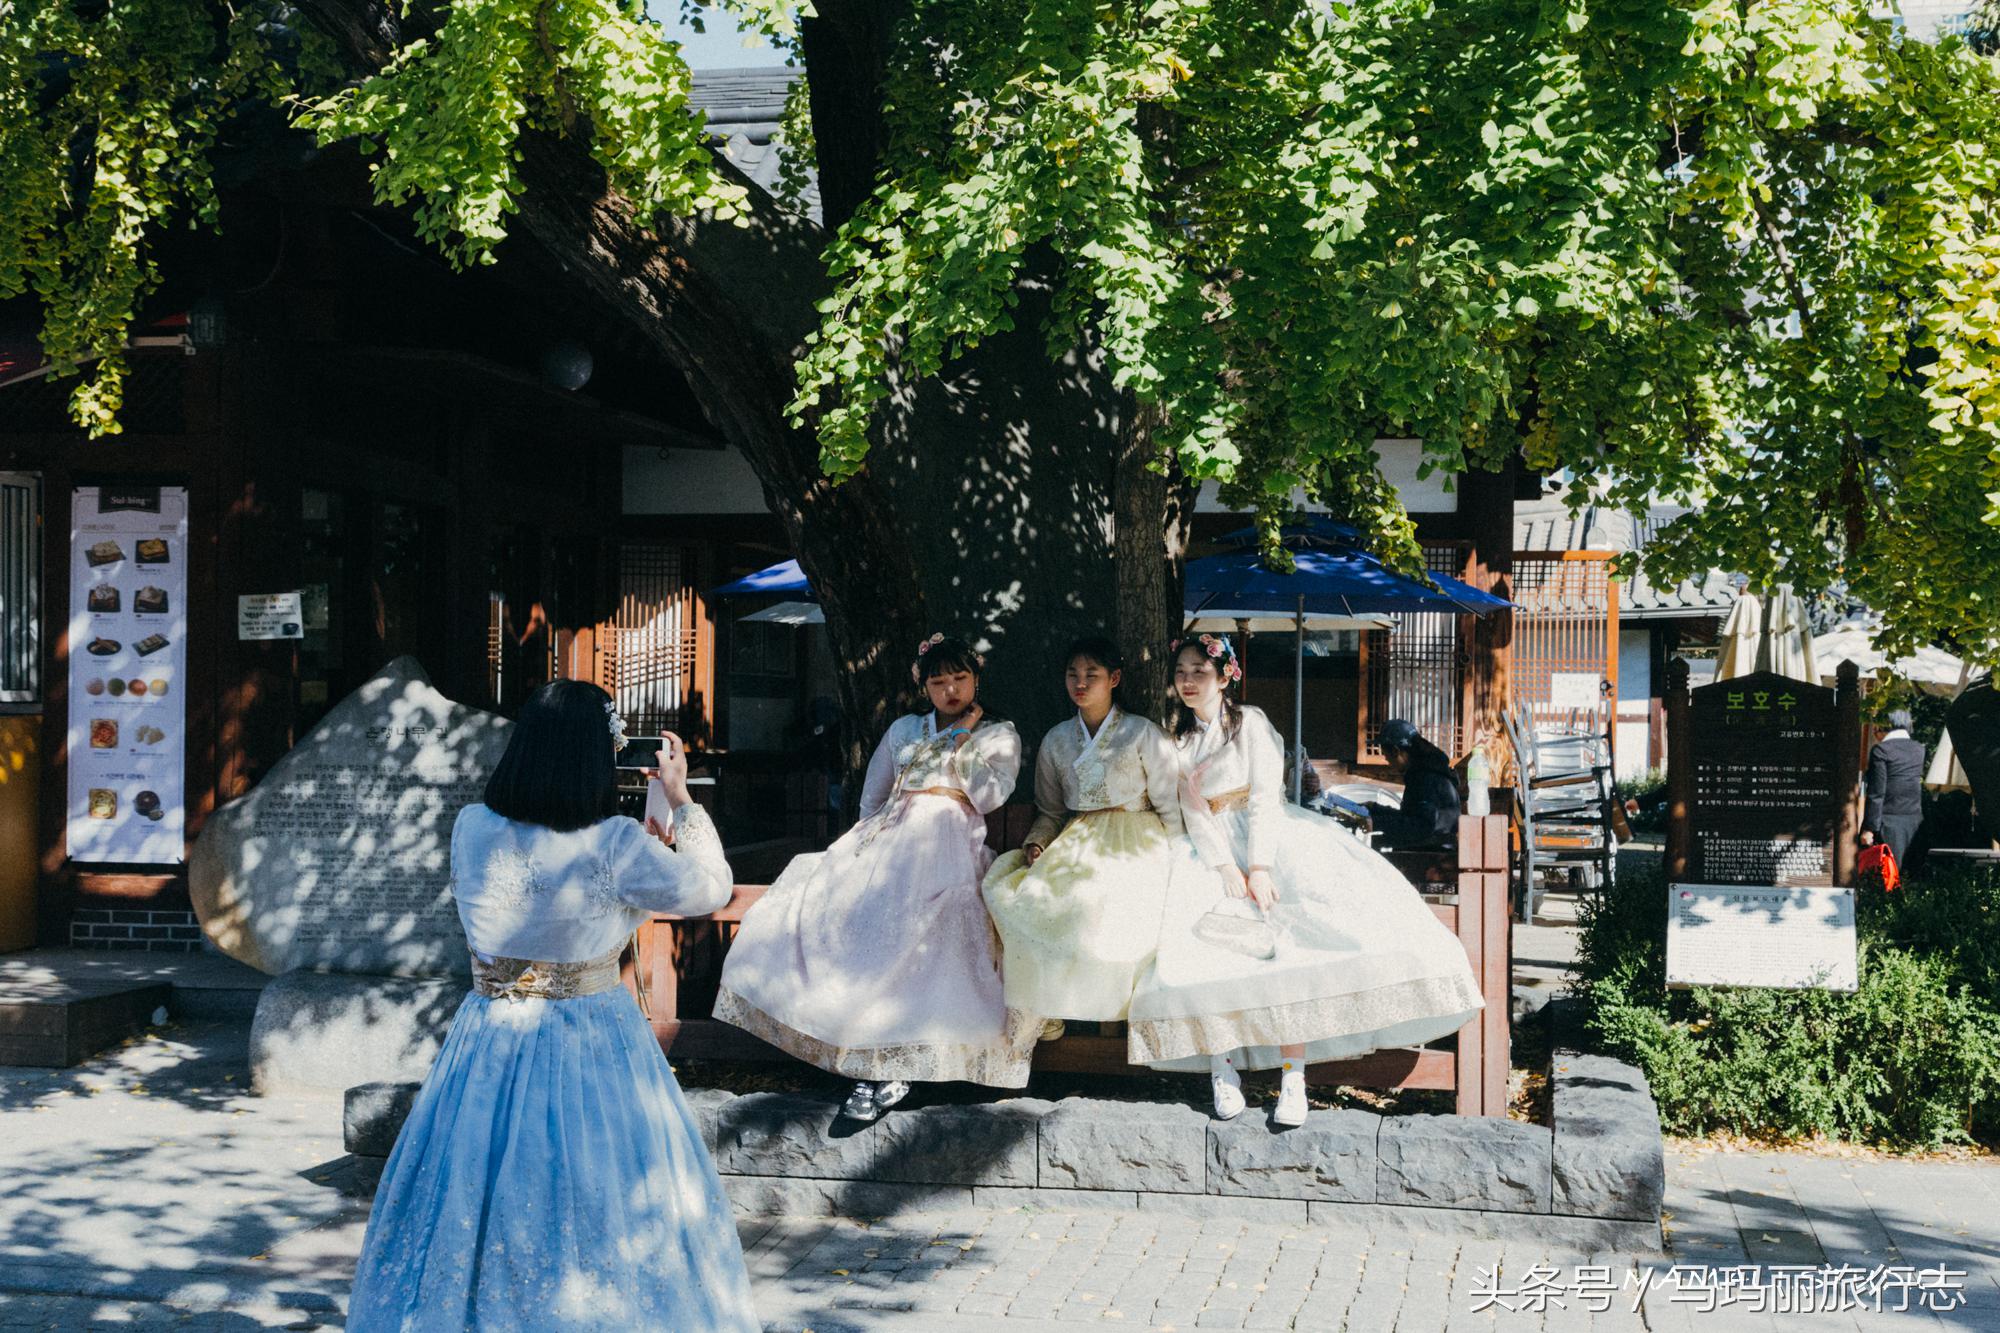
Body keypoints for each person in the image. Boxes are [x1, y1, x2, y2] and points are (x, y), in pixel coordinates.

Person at [347, 680, 756, 1333]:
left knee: (476, 1187)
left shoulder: (472, 827)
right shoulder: (615, 843)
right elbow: (711, 886)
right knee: (599, 1189)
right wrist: (680, 800)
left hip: (488, 1032)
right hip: (592, 1035)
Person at [1128, 636, 1484, 1127]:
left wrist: (1259, 866)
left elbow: (1263, 797)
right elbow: (1192, 808)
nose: (1188, 681)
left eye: (1199, 672)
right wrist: (1225, 868)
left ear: (1225, 676)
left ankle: (1293, 1074)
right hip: (1210, 854)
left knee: (1295, 955)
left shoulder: (1250, 723)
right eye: (1182, 672)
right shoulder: (1182, 740)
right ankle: (1222, 1067)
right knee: (1205, 958)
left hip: (1267, 841)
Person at [715, 633, 1037, 1121]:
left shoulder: (998, 734)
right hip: (888, 846)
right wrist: (862, 849)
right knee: (843, 913)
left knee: (934, 936)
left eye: (960, 678)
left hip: (947, 847)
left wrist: (964, 741)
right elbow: (875, 794)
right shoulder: (905, 728)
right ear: (923, 685)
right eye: (938, 680)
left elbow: (990, 797)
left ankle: (900, 1065)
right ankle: (864, 1055)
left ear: (976, 679)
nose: (949, 689)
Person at [982, 636, 1183, 1024]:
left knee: (1114, 917)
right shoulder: (1057, 740)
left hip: (1137, 840)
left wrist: (1181, 856)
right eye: (1073, 674)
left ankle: (1121, 1016)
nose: (1081, 682)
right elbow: (1051, 810)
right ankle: (1048, 1011)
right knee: (1036, 903)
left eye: (1092, 674)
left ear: (1115, 678)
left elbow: (1169, 805)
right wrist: (1038, 841)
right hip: (1079, 839)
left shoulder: (1143, 733)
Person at [1362, 718, 1461, 850]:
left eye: (1385, 754)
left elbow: (1421, 826)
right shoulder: (1426, 771)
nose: (1386, 759)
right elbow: (1412, 817)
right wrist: (1375, 810)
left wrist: (1377, 822)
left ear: (1396, 751)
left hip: (1431, 856)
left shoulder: (1427, 778)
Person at [1862, 709, 1927, 867]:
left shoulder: (1882, 750)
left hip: (1888, 822)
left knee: (1887, 875)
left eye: (1876, 729)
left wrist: (1869, 828)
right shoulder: (1919, 749)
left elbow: (1877, 792)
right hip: (1915, 821)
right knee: (1910, 875)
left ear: (1884, 727)